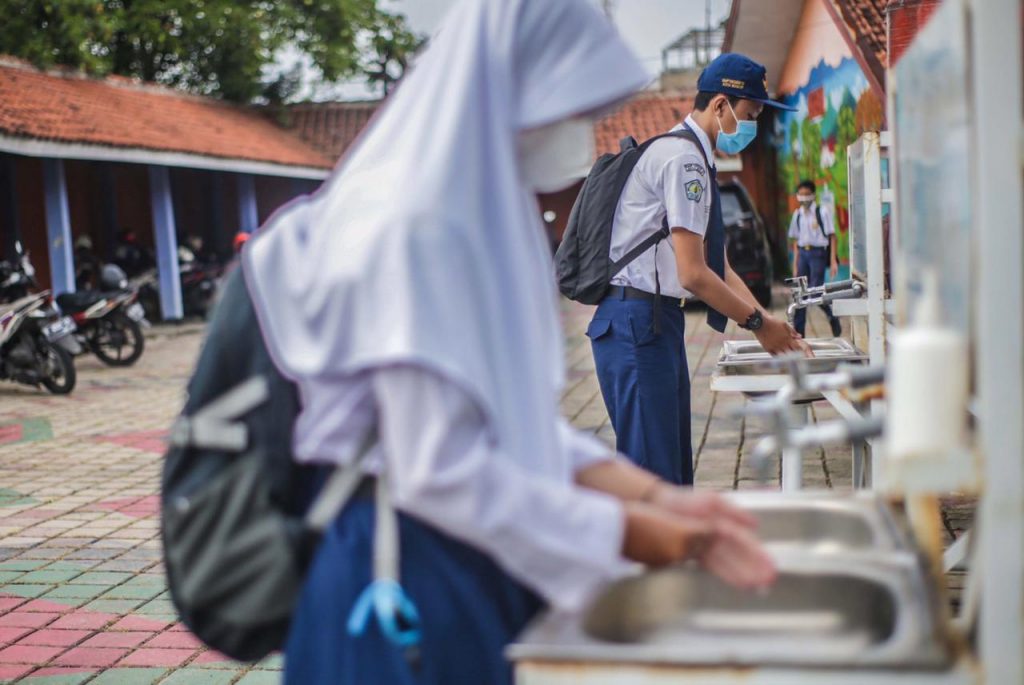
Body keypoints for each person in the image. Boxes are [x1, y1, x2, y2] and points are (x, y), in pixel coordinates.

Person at [243, 2, 776, 683]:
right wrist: (633, 530)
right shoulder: (411, 227)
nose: (581, 132)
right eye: (571, 110)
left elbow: (513, 427)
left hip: (466, 563)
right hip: (393, 575)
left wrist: (657, 497)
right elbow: (440, 469)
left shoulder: (480, 215)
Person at [589, 53, 809, 486]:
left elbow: (717, 265)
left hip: (655, 322)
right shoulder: (684, 160)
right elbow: (693, 273)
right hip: (636, 324)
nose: (752, 126)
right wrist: (757, 324)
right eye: (750, 115)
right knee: (654, 479)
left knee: (672, 473)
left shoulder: (696, 158)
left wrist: (768, 324)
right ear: (721, 105)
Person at [789, 179, 843, 338]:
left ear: (813, 195)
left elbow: (832, 236)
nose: (804, 198)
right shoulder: (797, 215)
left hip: (818, 254)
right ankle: (799, 333)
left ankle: (832, 316)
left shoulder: (822, 212)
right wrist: (795, 264)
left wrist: (833, 261)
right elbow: (795, 241)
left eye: (807, 194)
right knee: (800, 294)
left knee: (814, 292)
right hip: (803, 255)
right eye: (801, 194)